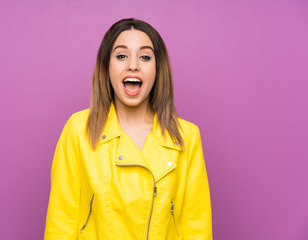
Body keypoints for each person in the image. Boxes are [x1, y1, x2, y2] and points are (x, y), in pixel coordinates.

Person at [44, 18, 212, 240]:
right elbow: (61, 223)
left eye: (145, 57)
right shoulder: (78, 131)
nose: (133, 65)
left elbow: (195, 229)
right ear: (107, 66)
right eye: (121, 56)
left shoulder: (186, 137)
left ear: (158, 69)